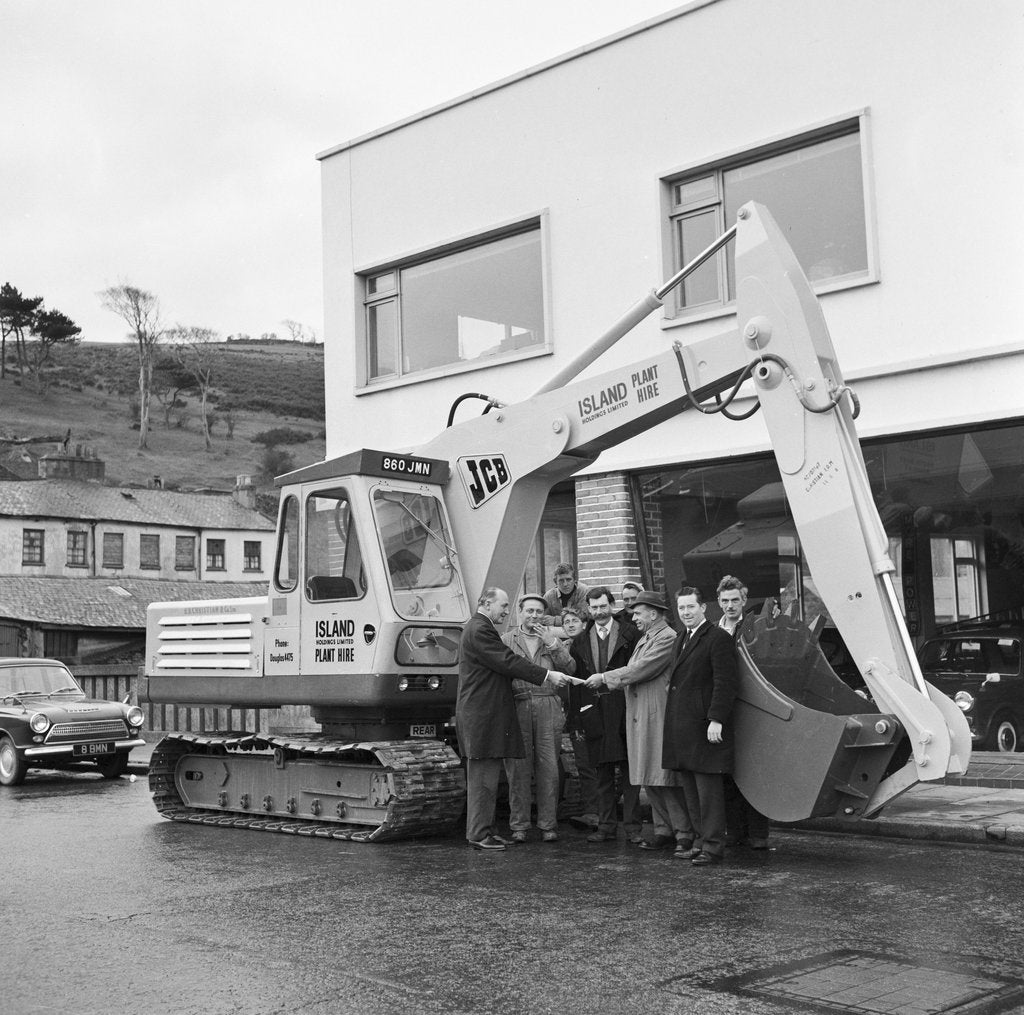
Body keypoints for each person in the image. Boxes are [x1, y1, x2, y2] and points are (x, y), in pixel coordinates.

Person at [457, 587, 576, 851]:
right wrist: (546, 675)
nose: (505, 610)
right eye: (503, 605)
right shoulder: (481, 629)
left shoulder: (479, 627)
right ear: (486, 603)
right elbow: (508, 661)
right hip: (483, 716)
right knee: (483, 781)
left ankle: (486, 830)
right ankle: (478, 833)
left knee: (489, 779)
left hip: (491, 715)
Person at [583, 591, 693, 853]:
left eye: (638, 613)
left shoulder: (666, 638)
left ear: (653, 614)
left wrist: (604, 677)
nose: (633, 617)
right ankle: (664, 830)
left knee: (663, 778)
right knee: (649, 776)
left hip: (654, 716)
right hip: (643, 716)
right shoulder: (648, 638)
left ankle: (683, 833)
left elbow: (640, 668)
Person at [663, 586, 739, 866]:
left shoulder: (718, 638)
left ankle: (713, 845)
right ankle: (699, 840)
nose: (685, 613)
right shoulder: (681, 637)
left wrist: (716, 719)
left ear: (703, 608)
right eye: (681, 608)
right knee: (692, 791)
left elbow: (725, 681)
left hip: (705, 727)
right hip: (684, 728)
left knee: (709, 793)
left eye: (691, 607)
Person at [567, 587, 642, 843]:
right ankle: (606, 826)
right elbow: (575, 684)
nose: (598, 612)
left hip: (624, 708)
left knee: (630, 772)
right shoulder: (579, 642)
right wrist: (577, 719)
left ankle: (632, 829)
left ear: (611, 605)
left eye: (602, 606)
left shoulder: (631, 634)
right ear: (588, 609)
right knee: (602, 773)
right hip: (594, 712)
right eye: (594, 608)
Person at [502, 593, 576, 843]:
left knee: (549, 767)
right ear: (519, 613)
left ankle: (548, 825)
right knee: (518, 769)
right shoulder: (506, 640)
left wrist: (553, 644)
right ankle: (519, 826)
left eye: (538, 612)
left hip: (548, 703)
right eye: (529, 611)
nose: (533, 616)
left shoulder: (552, 639)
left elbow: (570, 669)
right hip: (518, 705)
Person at [716, 575, 770, 850]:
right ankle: (733, 831)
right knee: (728, 771)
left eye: (734, 600)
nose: (729, 606)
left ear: (744, 601)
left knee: (754, 770)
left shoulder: (754, 629)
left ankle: (758, 833)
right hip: (725, 711)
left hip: (752, 709)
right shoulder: (714, 631)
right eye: (724, 601)